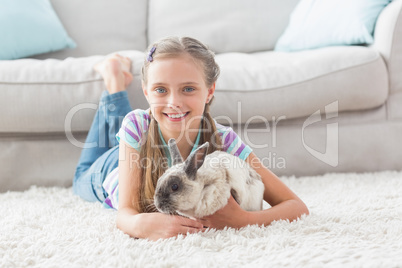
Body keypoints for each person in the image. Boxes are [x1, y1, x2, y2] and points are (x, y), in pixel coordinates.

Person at [73, 36, 309, 241]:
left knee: (132, 126)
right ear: (146, 92)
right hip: (110, 171)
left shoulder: (224, 140)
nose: (174, 102)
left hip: (137, 142)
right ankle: (114, 80)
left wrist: (244, 219)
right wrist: (142, 224)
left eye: (188, 89)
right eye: (160, 90)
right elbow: (125, 214)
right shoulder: (136, 125)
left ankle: (116, 83)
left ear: (210, 91)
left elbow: (296, 207)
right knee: (81, 173)